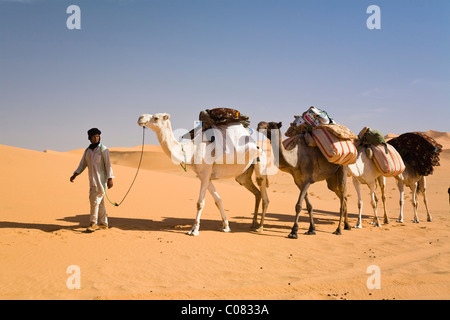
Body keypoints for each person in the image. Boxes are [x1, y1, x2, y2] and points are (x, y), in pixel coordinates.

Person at [70, 128, 114, 232]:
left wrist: (110, 179)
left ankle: (93, 223)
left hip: (101, 181)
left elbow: (108, 165)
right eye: (94, 136)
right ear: (90, 138)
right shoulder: (88, 151)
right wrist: (75, 174)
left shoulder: (103, 149)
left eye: (98, 136)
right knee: (100, 202)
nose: (96, 138)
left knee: (94, 200)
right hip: (92, 181)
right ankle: (104, 223)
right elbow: (83, 164)